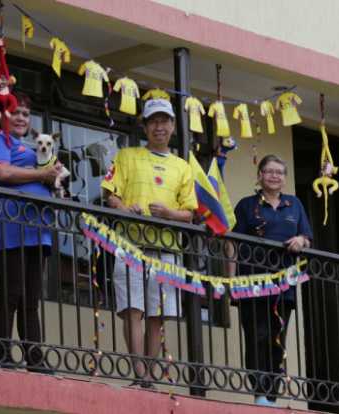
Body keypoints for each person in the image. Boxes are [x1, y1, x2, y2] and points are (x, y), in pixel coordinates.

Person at [101, 98, 197, 387]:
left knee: (158, 315)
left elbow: (190, 213)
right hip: (130, 247)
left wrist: (169, 213)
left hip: (166, 251)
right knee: (133, 310)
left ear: (172, 127)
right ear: (144, 126)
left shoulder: (183, 166)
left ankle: (148, 378)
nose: (159, 127)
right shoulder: (126, 156)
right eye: (153, 121)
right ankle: (139, 374)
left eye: (164, 121)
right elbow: (109, 193)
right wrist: (123, 208)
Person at [0, 92, 60, 371]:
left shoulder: (31, 147)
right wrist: (42, 175)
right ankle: (1, 355)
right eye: (17, 112)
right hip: (7, 228)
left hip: (38, 231)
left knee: (31, 300)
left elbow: (46, 176)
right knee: (10, 294)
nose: (22, 118)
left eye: (26, 113)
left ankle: (34, 359)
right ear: (2, 114)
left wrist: (55, 176)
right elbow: (3, 173)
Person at [228, 154, 312, 406]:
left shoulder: (294, 204)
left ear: (285, 179)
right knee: (257, 335)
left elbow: (307, 236)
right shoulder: (246, 205)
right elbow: (232, 242)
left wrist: (301, 241)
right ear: (260, 176)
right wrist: (231, 279)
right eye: (269, 171)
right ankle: (260, 392)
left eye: (279, 172)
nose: (274, 176)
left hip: (284, 284)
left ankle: (272, 395)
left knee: (278, 338)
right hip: (252, 280)